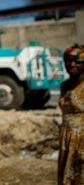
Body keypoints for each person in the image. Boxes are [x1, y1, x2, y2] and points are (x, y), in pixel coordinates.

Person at [58, 44, 84, 185]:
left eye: (77, 60)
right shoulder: (64, 86)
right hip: (66, 139)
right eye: (68, 60)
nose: (71, 64)